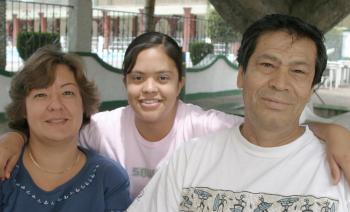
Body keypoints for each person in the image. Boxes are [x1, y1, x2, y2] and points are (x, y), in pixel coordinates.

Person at [0, 32, 350, 199]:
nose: (150, 88)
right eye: (138, 78)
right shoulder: (104, 128)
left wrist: (330, 131)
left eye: (163, 78)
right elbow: (54, 129)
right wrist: (13, 136)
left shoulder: (203, 126)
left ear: (181, 82)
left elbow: (268, 128)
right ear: (125, 82)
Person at [127, 14, 350, 211]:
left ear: (311, 89)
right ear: (241, 74)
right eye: (267, 65)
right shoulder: (190, 159)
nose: (280, 83)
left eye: (298, 71)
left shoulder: (341, 168)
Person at [0, 47, 132, 211]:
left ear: (83, 103)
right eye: (41, 95)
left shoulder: (109, 178)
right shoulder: (4, 168)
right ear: (23, 109)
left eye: (67, 93)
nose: (56, 105)